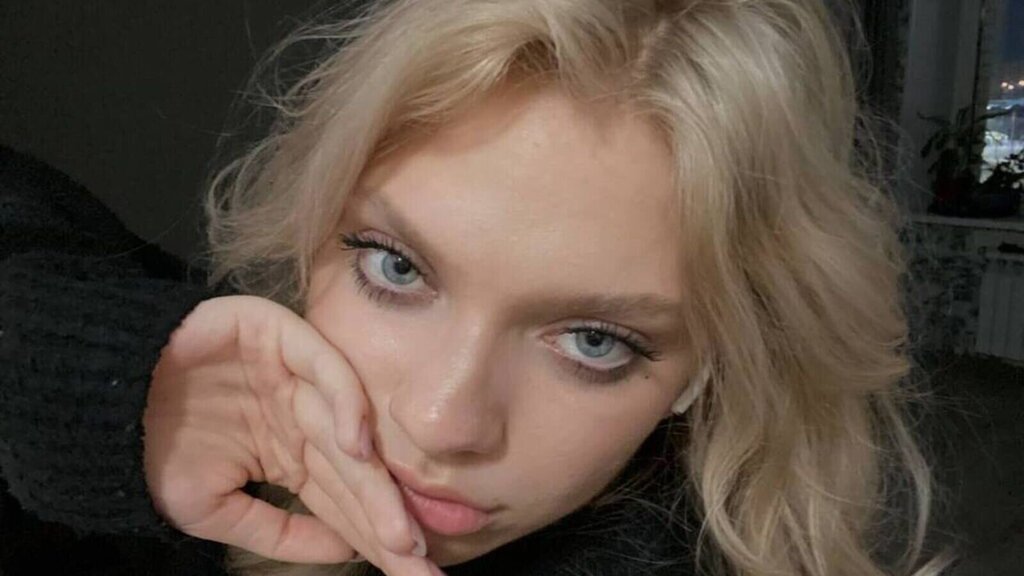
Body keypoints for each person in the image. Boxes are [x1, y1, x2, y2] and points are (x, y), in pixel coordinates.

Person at [0, 0, 953, 575]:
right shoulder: (187, 439)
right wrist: (93, 382)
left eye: (594, 341)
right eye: (396, 267)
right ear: (311, 241)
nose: (444, 421)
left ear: (705, 372)